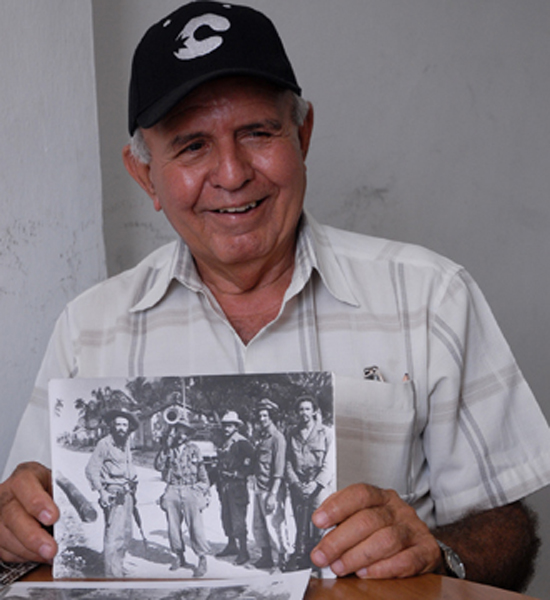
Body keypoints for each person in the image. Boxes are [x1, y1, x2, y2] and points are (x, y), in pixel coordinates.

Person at [1, 1, 550, 591]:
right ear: (145, 176)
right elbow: (31, 536)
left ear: (303, 135)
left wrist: (437, 551)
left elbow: (509, 530)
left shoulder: (431, 297)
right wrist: (12, 532)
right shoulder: (89, 327)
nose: (233, 173)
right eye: (191, 147)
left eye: (258, 133)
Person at [84, 409, 139, 577]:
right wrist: (102, 492)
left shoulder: (126, 443)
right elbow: (91, 469)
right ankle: (111, 575)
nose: (122, 428)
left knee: (126, 533)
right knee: (113, 535)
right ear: (112, 426)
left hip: (127, 493)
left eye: (125, 425)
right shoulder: (104, 444)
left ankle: (118, 566)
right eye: (118, 424)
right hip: (113, 493)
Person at [154, 419, 210, 577]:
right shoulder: (169, 449)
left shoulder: (194, 449)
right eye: (178, 430)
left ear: (189, 434)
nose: (181, 434)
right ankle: (179, 556)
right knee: (173, 526)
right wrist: (165, 446)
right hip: (172, 488)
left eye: (185, 431)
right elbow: (158, 466)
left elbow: (203, 474)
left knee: (196, 526)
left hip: (190, 488)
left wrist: (202, 490)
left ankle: (202, 558)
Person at [285, 396, 334, 571]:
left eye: (307, 409)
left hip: (319, 486)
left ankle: (320, 560)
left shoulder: (326, 432)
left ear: (314, 411)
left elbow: (330, 462)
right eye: (300, 409)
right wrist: (295, 483)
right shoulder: (292, 433)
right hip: (298, 485)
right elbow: (288, 461)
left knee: (320, 523)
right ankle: (302, 558)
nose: (304, 413)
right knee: (300, 523)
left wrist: (317, 483)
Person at [251, 399, 290, 571]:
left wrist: (274, 494)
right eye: (260, 415)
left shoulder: (277, 438)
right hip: (259, 487)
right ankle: (266, 557)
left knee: (275, 525)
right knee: (258, 525)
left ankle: (281, 561)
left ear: (271, 417)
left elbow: (279, 470)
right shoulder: (262, 437)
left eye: (265, 415)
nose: (262, 418)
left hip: (271, 489)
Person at [215, 410, 254, 565]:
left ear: (236, 427)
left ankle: (244, 551)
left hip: (237, 485)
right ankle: (232, 545)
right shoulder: (224, 442)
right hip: (224, 485)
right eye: (224, 425)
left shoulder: (242, 442)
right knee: (226, 516)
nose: (226, 428)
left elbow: (253, 461)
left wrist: (241, 473)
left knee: (238, 518)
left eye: (230, 426)